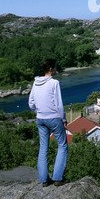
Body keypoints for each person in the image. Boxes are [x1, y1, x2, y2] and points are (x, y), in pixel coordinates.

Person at [29, 59, 69, 187]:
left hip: (40, 118)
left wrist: (39, 111)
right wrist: (64, 119)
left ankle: (44, 180)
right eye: (55, 68)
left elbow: (31, 103)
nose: (56, 70)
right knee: (62, 145)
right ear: (51, 69)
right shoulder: (54, 83)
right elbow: (59, 104)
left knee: (43, 148)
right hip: (53, 118)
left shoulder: (36, 83)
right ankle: (58, 178)